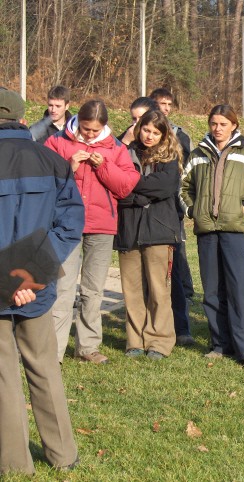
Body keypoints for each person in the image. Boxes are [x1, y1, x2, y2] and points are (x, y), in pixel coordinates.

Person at [0, 89, 84, 475]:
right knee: (45, 367)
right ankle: (63, 455)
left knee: (4, 377)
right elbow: (70, 224)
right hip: (36, 283)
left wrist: (12, 279)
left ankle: (16, 464)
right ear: (21, 118)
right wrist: (31, 275)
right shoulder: (53, 160)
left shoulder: (53, 159)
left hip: (7, 285)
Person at [45, 99, 140, 364]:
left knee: (93, 290)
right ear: (78, 122)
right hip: (66, 225)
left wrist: (103, 166)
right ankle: (54, 350)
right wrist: (69, 165)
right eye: (86, 129)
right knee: (62, 289)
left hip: (101, 226)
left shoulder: (117, 148)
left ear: (104, 127)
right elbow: (43, 178)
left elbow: (125, 187)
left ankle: (88, 347)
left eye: (95, 131)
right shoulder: (57, 142)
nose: (89, 134)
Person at [181, 104, 244, 370]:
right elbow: (184, 186)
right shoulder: (198, 154)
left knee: (239, 291)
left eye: (222, 124)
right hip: (207, 230)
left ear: (233, 125)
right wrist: (192, 210)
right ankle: (220, 344)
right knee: (211, 291)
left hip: (236, 232)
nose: (217, 129)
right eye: (213, 124)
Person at [114, 110, 182, 360]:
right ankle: (135, 340)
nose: (150, 136)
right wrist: (140, 195)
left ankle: (159, 341)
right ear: (138, 127)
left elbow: (165, 186)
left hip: (159, 230)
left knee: (158, 290)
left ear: (163, 134)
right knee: (131, 290)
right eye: (146, 130)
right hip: (128, 229)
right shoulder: (123, 152)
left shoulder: (170, 157)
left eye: (156, 132)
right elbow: (114, 186)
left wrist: (130, 188)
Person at [150, 87, 196, 344]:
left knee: (176, 262)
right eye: (160, 103)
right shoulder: (141, 133)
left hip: (173, 207)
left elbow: (187, 173)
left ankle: (182, 326)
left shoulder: (181, 135)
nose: (165, 108)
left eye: (169, 103)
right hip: (146, 212)